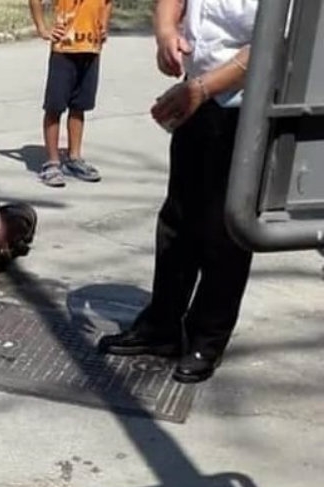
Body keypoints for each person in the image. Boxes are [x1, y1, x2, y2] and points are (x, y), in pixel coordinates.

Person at [96, 0, 258, 384]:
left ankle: (207, 337)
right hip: (196, 99)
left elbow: (274, 45)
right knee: (179, 218)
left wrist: (203, 89)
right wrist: (166, 32)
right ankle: (162, 324)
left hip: (247, 110)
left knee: (227, 229)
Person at [28, 0, 113, 187]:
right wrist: (42, 28)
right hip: (64, 50)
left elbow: (107, 3)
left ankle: (74, 158)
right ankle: (52, 162)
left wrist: (104, 25)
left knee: (79, 106)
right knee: (55, 106)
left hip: (90, 49)